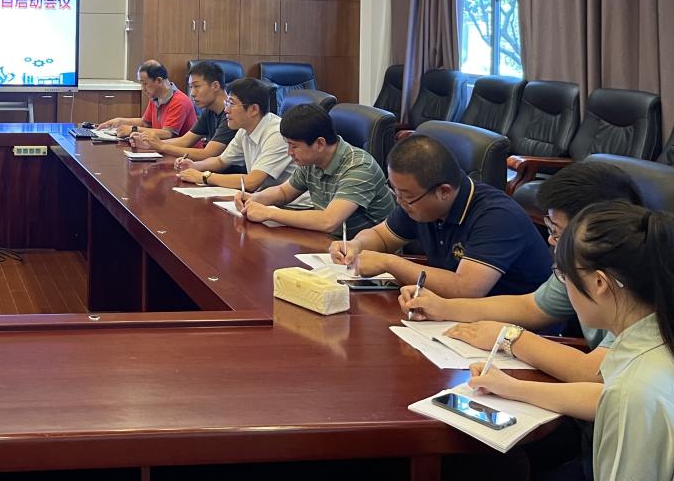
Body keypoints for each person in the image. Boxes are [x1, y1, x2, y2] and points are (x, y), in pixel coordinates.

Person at [413, 163, 641, 481]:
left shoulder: (641, 295)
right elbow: (532, 305)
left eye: (557, 231)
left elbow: (600, 375)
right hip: (595, 422)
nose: (551, 241)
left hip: (613, 445)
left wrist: (511, 338)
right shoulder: (585, 266)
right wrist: (444, 307)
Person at [467, 202, 674, 481]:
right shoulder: (654, 336)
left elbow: (625, 400)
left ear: (600, 283)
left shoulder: (634, 391)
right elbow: (605, 397)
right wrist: (512, 387)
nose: (564, 286)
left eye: (564, 276)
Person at [331, 134, 550, 297]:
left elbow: (466, 289)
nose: (399, 202)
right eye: (396, 192)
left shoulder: (497, 217)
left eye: (406, 196)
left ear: (443, 191)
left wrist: (390, 263)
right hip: (454, 314)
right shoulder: (420, 201)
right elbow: (382, 237)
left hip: (516, 330)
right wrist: (356, 245)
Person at [233, 103, 394, 235]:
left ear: (320, 144)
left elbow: (329, 221)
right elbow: (284, 192)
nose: (289, 152)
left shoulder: (359, 167)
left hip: (369, 252)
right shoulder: (312, 160)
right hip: (332, 242)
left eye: (294, 146)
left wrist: (268, 213)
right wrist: (254, 198)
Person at [175, 76, 295, 192]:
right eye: (226, 103)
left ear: (253, 109)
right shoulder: (245, 129)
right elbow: (221, 161)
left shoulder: (277, 134)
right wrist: (194, 165)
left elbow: (252, 182)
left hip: (291, 204)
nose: (226, 110)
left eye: (231, 104)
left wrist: (204, 177)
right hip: (263, 197)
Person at [128, 60, 235, 161]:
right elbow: (184, 141)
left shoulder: (231, 114)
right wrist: (148, 144)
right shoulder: (209, 110)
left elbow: (207, 154)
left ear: (215, 86)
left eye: (196, 86)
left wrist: (162, 146)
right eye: (191, 87)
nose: (192, 93)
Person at [98, 59, 197, 140]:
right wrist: (120, 121)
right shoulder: (155, 97)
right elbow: (145, 123)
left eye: (145, 83)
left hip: (185, 154)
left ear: (159, 80)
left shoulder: (179, 101)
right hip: (163, 149)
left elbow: (167, 134)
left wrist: (133, 129)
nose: (143, 88)